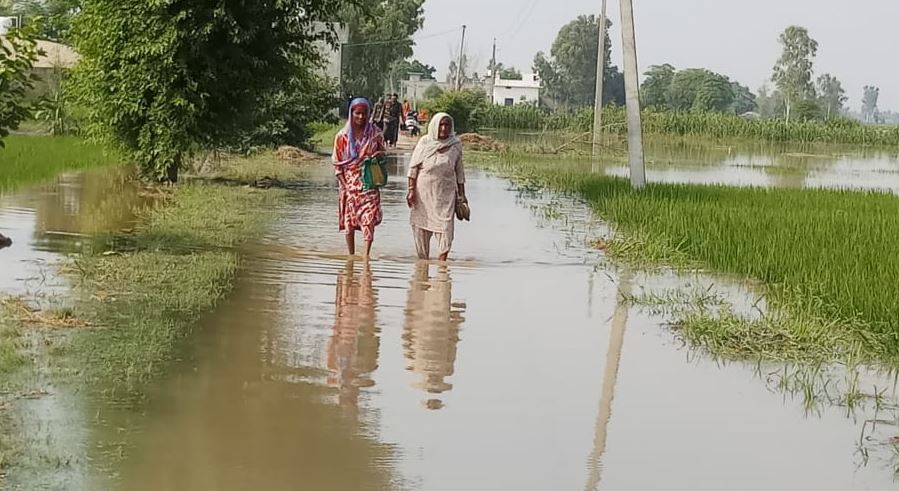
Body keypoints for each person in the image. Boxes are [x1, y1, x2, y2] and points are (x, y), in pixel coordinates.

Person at [406, 112, 467, 261]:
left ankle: (442, 267)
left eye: (447, 125)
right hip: (423, 196)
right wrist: (411, 190)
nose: (444, 128)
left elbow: (459, 171)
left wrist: (462, 195)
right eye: (441, 124)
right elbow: (413, 168)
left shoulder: (455, 144)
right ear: (434, 126)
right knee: (421, 230)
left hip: (446, 196)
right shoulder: (425, 142)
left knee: (446, 230)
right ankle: (423, 267)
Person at [333, 98, 386, 258]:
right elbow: (337, 164)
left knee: (368, 221)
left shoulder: (375, 133)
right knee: (349, 224)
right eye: (358, 113)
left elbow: (384, 153)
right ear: (351, 114)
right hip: (349, 185)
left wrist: (378, 155)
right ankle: (351, 256)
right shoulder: (342, 136)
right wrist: (345, 186)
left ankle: (365, 258)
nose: (361, 117)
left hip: (369, 184)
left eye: (364, 114)